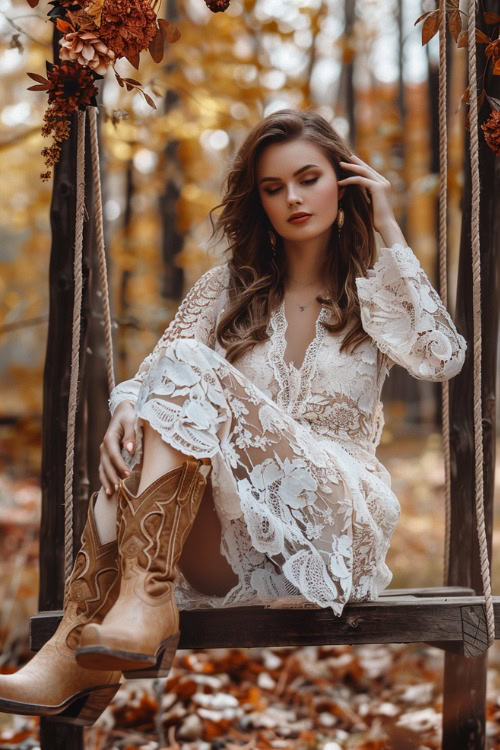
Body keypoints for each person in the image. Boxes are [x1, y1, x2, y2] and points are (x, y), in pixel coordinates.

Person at [0, 108, 467, 726]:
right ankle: (101, 626)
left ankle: (109, 627)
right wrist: (126, 407)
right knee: (137, 451)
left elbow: (443, 356)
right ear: (259, 203)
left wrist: (387, 226)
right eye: (273, 189)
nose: (293, 199)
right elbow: (161, 371)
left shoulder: (373, 287)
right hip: (241, 542)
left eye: (308, 179)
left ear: (344, 182)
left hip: (334, 522)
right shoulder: (227, 288)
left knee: (187, 368)